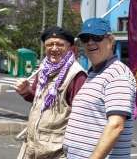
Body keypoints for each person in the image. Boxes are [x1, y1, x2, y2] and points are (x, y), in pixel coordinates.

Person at [63, 18, 137, 158]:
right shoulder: (94, 73)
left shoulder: (118, 75)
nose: (90, 42)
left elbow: (116, 125)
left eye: (96, 37)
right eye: (85, 38)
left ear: (110, 40)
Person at [14, 26, 87, 159]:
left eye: (59, 44)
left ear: (71, 48)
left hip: (57, 152)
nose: (54, 48)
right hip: (32, 147)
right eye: (49, 45)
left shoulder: (76, 75)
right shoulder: (43, 70)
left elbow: (81, 117)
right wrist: (26, 92)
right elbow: (37, 98)